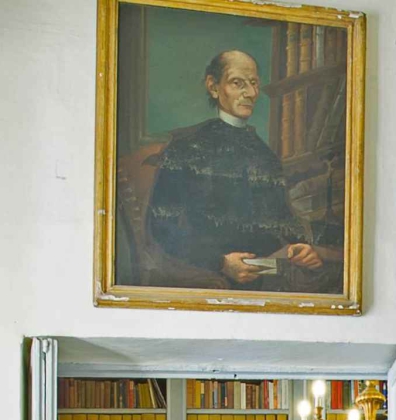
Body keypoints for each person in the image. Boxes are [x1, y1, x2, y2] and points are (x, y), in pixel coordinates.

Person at [145, 49, 339, 290]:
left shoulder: (264, 154)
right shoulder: (185, 147)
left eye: (254, 83)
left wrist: (301, 247)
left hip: (268, 272)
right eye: (238, 83)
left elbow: (281, 219)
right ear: (213, 87)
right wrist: (221, 262)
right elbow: (162, 229)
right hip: (210, 274)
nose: (251, 93)